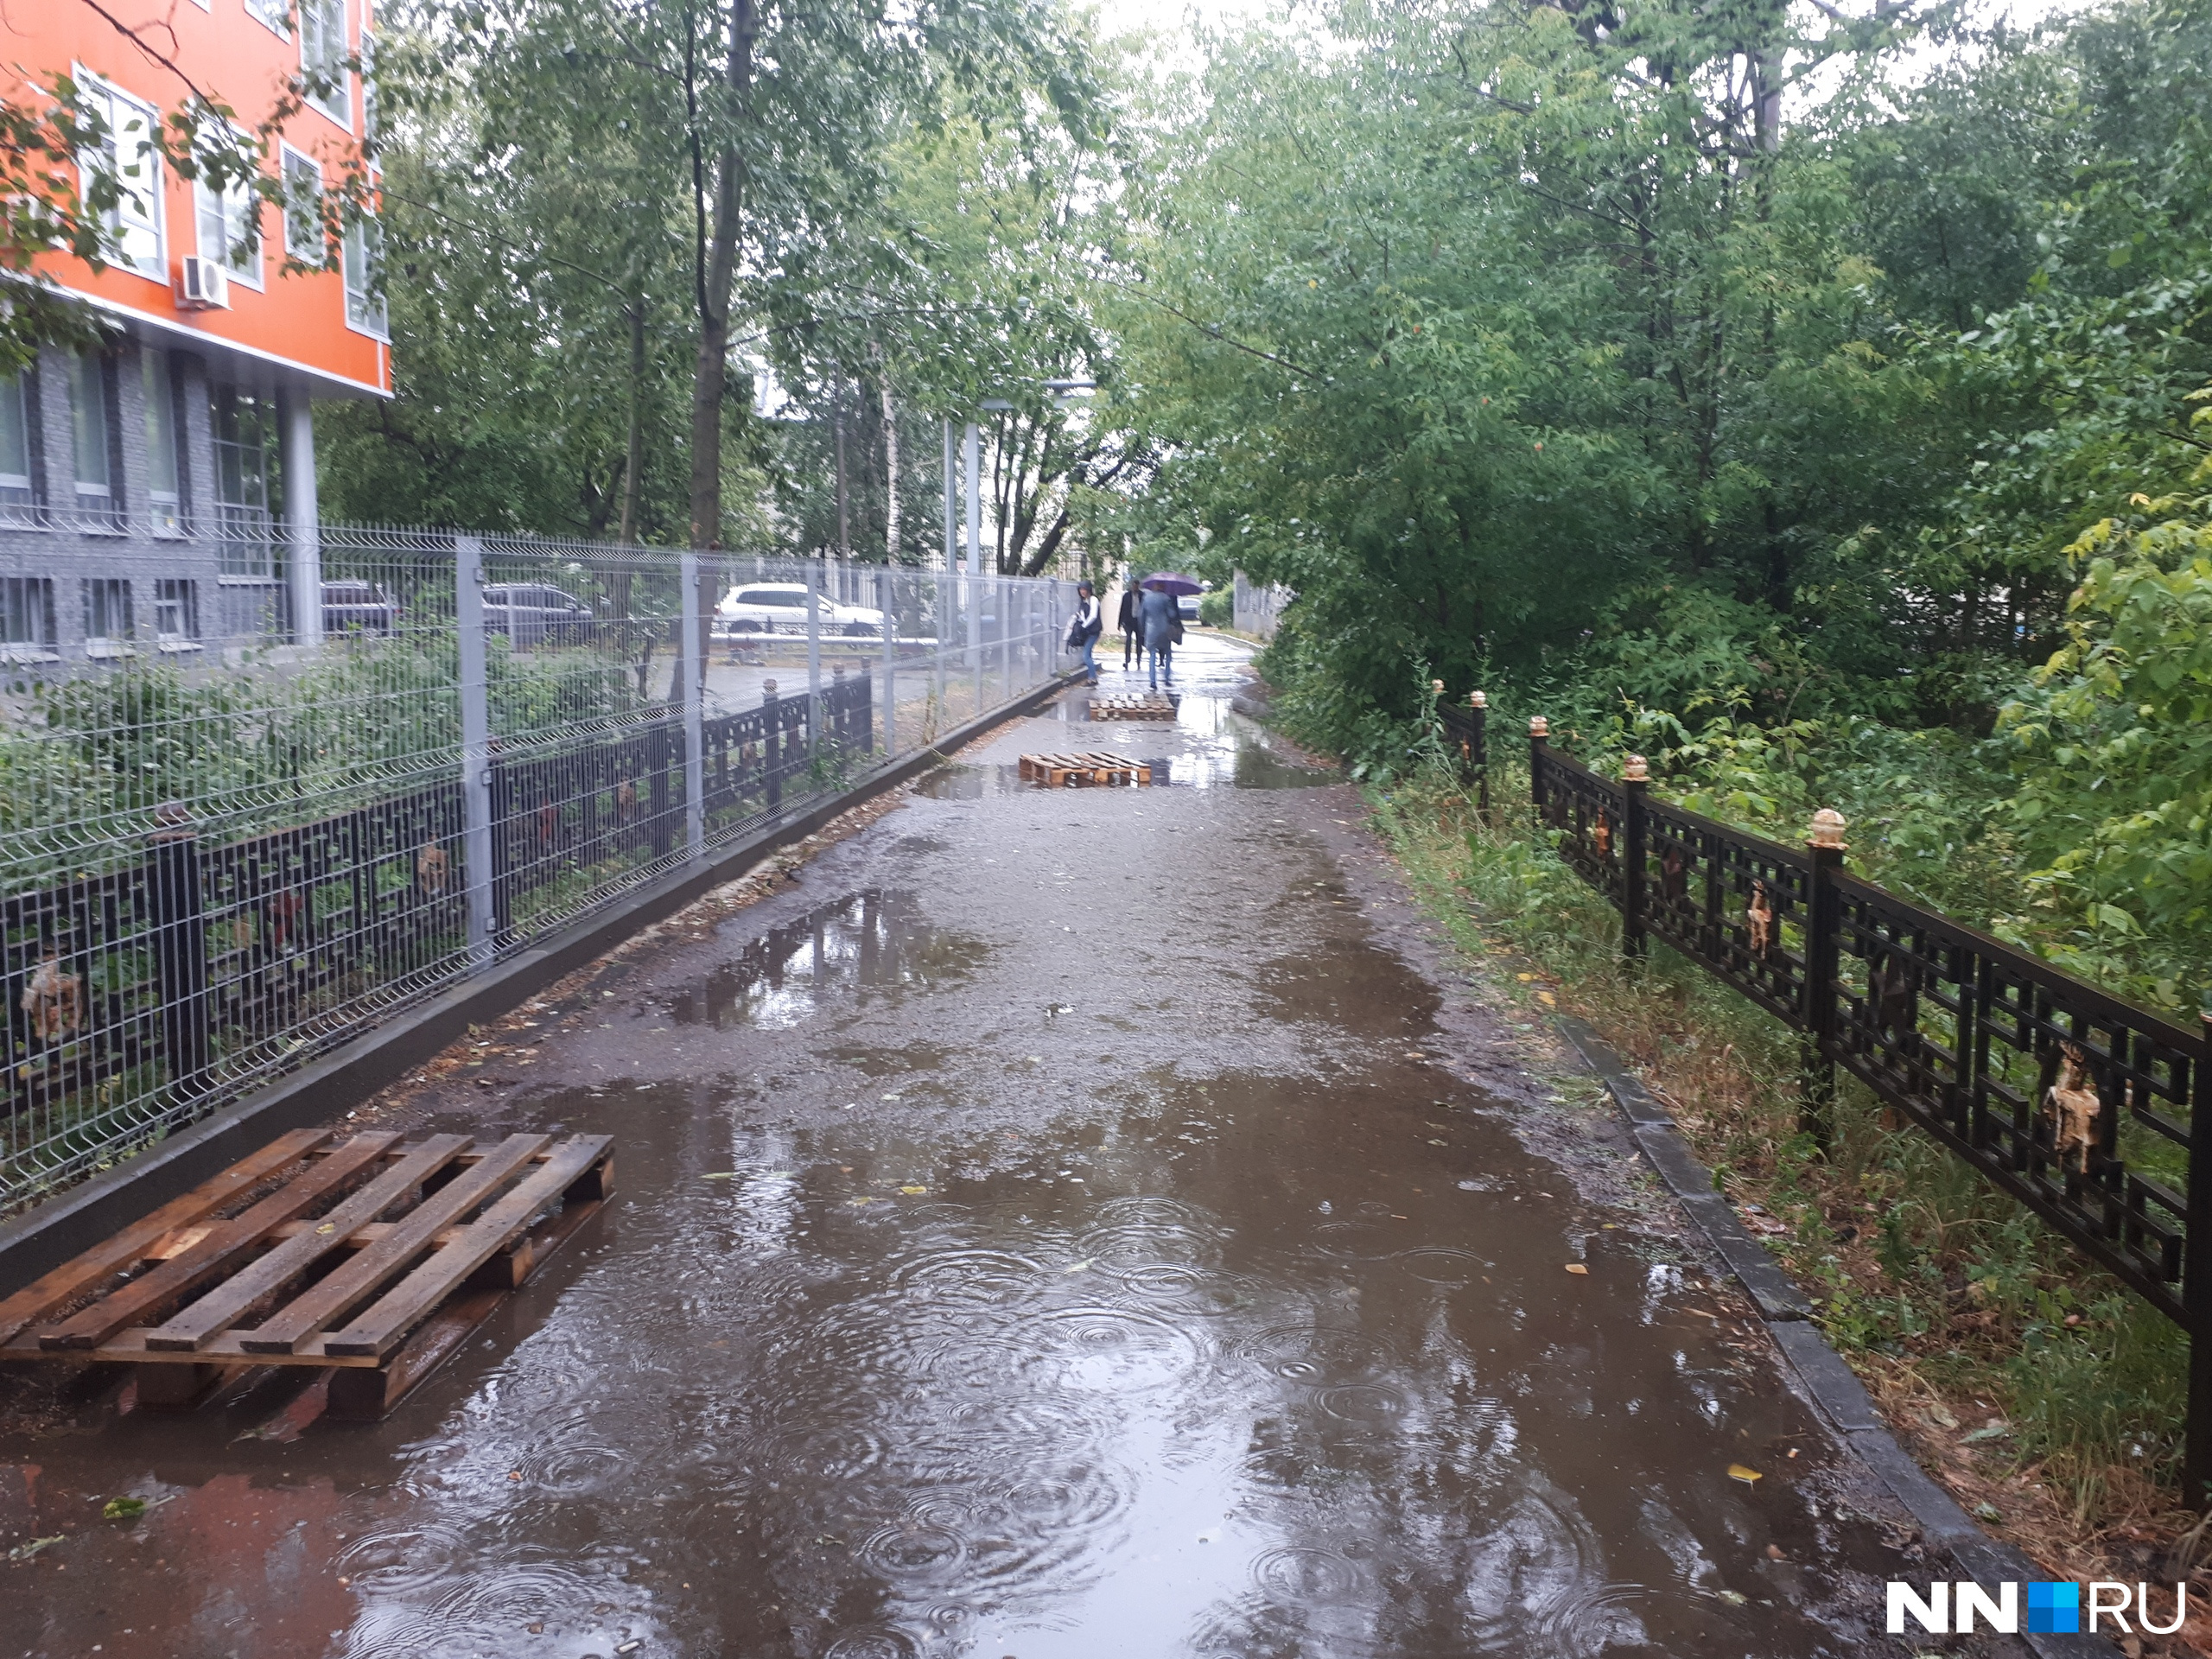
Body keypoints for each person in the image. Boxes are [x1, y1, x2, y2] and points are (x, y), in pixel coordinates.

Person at [1138, 579, 1179, 690]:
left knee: (1152, 656)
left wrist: (1142, 629)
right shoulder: (1166, 598)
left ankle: (1153, 682)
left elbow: (1141, 616)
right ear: (1163, 587)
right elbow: (1172, 614)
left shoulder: (1146, 598)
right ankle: (1167, 679)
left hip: (1151, 630)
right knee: (1168, 654)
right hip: (1164, 630)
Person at [1067, 581, 1103, 685]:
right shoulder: (1083, 602)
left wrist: (1084, 626)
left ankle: (1093, 678)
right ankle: (1091, 678)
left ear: (1089, 590)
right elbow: (1083, 616)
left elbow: (1093, 616)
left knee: (1086, 655)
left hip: (1094, 631)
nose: (1082, 592)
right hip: (1087, 632)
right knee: (1088, 655)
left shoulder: (1093, 600)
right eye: (1081, 589)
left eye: (1084, 589)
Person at [1117, 578, 1143, 671]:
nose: (1135, 587)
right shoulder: (1126, 596)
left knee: (1139, 642)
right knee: (1128, 640)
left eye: (1137, 586)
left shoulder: (1142, 595)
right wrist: (1119, 623)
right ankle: (1127, 660)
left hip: (1139, 621)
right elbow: (1122, 609)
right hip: (1128, 621)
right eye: (1134, 586)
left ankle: (1139, 660)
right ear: (1132, 586)